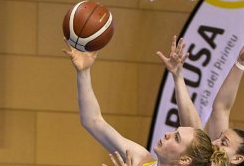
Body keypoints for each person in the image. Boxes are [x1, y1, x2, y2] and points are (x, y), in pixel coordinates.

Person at [63, 40, 228, 166]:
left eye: (176, 138)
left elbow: (219, 109)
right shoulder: (142, 158)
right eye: (175, 132)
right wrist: (83, 72)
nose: (167, 134)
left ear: (184, 160)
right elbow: (93, 122)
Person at [156, 27, 244, 166]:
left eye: (224, 142)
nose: (214, 142)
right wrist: (241, 62)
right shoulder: (208, 158)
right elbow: (221, 107)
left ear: (236, 158)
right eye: (220, 138)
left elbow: (194, 125)